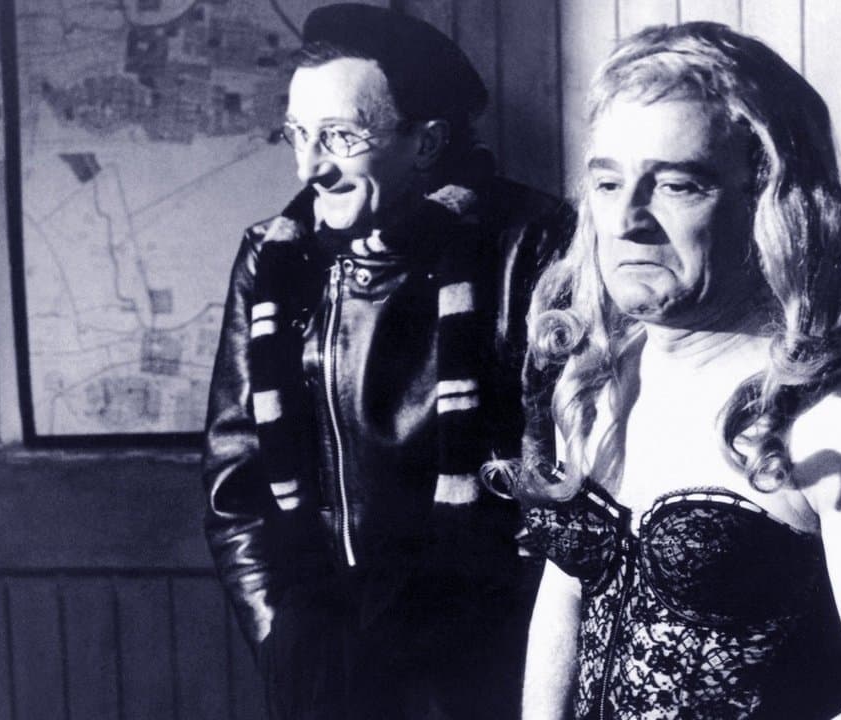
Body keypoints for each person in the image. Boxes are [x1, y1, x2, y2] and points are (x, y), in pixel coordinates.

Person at [515, 22, 841, 720]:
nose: (628, 218)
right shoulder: (596, 378)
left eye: (677, 185)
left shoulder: (839, 412)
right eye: (608, 183)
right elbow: (563, 602)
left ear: (768, 203)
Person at [201, 5, 571, 718]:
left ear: (426, 142)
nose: (310, 168)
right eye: (298, 135)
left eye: (340, 137)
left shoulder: (531, 242)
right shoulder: (273, 259)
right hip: (329, 664)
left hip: (486, 660)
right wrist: (285, 641)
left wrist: (510, 661)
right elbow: (234, 487)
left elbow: (559, 477)